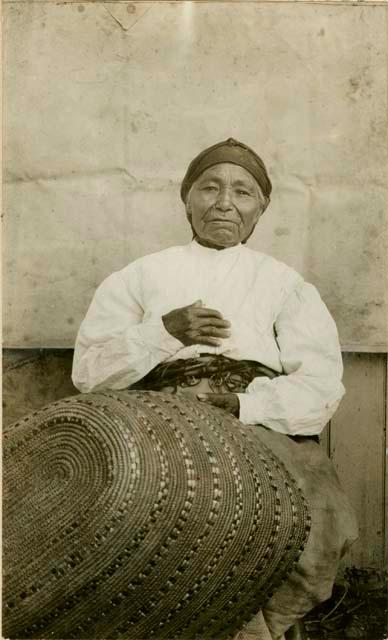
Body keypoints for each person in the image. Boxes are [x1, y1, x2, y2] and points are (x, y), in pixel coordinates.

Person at [72, 138, 357, 640]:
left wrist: (243, 403)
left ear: (261, 209)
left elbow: (319, 385)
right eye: (209, 188)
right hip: (155, 415)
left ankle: (250, 628)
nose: (224, 203)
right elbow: (90, 373)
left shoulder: (285, 285)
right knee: (136, 510)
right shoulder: (138, 277)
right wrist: (165, 332)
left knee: (320, 520)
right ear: (187, 200)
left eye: (243, 192)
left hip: (258, 421)